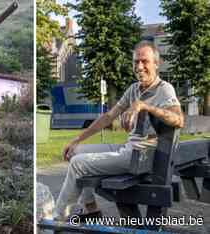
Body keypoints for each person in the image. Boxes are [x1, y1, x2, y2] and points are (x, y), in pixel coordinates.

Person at [53, 40, 184, 221]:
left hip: (143, 157)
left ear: (156, 63)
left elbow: (179, 120)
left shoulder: (164, 89)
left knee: (78, 164)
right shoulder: (133, 89)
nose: (139, 66)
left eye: (144, 61)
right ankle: (91, 209)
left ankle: (57, 220)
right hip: (129, 150)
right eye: (136, 62)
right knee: (74, 152)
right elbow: (108, 117)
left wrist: (144, 106)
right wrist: (77, 139)